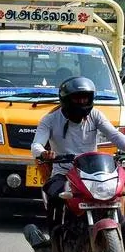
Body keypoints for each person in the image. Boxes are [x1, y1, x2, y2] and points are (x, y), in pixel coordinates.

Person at [31, 77, 125, 239]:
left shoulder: (95, 115)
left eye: (85, 98)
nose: (82, 102)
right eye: (77, 98)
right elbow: (36, 145)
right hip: (64, 174)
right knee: (55, 196)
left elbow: (115, 136)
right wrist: (44, 153)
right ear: (66, 100)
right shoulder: (50, 120)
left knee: (116, 198)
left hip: (93, 174)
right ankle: (55, 240)